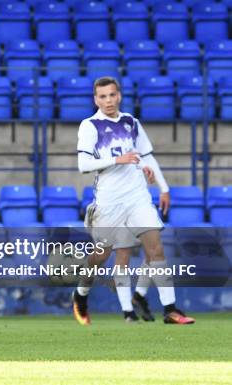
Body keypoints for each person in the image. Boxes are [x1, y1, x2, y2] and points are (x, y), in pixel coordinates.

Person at [72, 76, 195, 325]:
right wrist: (118, 160)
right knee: (101, 256)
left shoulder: (131, 122)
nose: (108, 100)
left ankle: (170, 309)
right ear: (96, 99)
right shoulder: (90, 125)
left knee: (156, 248)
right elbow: (83, 165)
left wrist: (163, 187)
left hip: (138, 197)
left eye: (112, 95)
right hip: (109, 202)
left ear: (119, 95)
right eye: (103, 96)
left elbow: (146, 156)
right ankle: (81, 292)